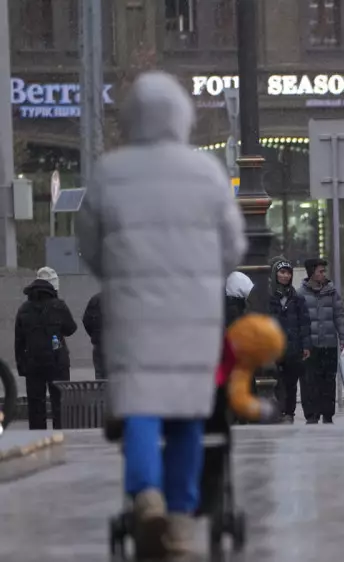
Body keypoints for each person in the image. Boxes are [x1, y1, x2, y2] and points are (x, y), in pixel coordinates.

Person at [77, 70, 246, 559]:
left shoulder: (109, 172)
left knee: (141, 409)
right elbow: (233, 247)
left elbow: (90, 244)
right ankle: (179, 519)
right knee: (189, 417)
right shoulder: (206, 172)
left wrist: (120, 274)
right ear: (182, 117)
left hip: (133, 318)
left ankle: (145, 495)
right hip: (194, 320)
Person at [14, 267, 77, 430]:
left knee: (36, 406)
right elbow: (71, 329)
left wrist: (22, 367)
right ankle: (60, 436)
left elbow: (19, 341)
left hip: (33, 364)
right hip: (57, 362)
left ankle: (37, 438)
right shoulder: (59, 306)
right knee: (60, 403)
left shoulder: (24, 309)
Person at [300, 258, 344, 420]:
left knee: (328, 381)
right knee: (310, 381)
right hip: (310, 346)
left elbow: (339, 316)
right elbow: (299, 320)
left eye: (324, 271)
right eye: (320, 271)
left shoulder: (331, 292)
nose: (323, 274)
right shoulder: (301, 294)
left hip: (329, 345)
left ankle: (328, 414)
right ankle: (312, 415)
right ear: (311, 273)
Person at [268, 258, 311, 423]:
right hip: (274, 348)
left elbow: (304, 323)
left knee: (291, 383)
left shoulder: (297, 298)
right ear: (275, 274)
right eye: (282, 272)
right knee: (276, 381)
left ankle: (289, 413)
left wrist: (306, 345)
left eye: (288, 273)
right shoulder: (268, 298)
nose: (286, 276)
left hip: (293, 348)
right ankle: (278, 410)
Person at [83, 292, 105, 379]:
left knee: (100, 374)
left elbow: (86, 321)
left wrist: (95, 335)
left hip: (100, 343)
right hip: (120, 345)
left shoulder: (95, 299)